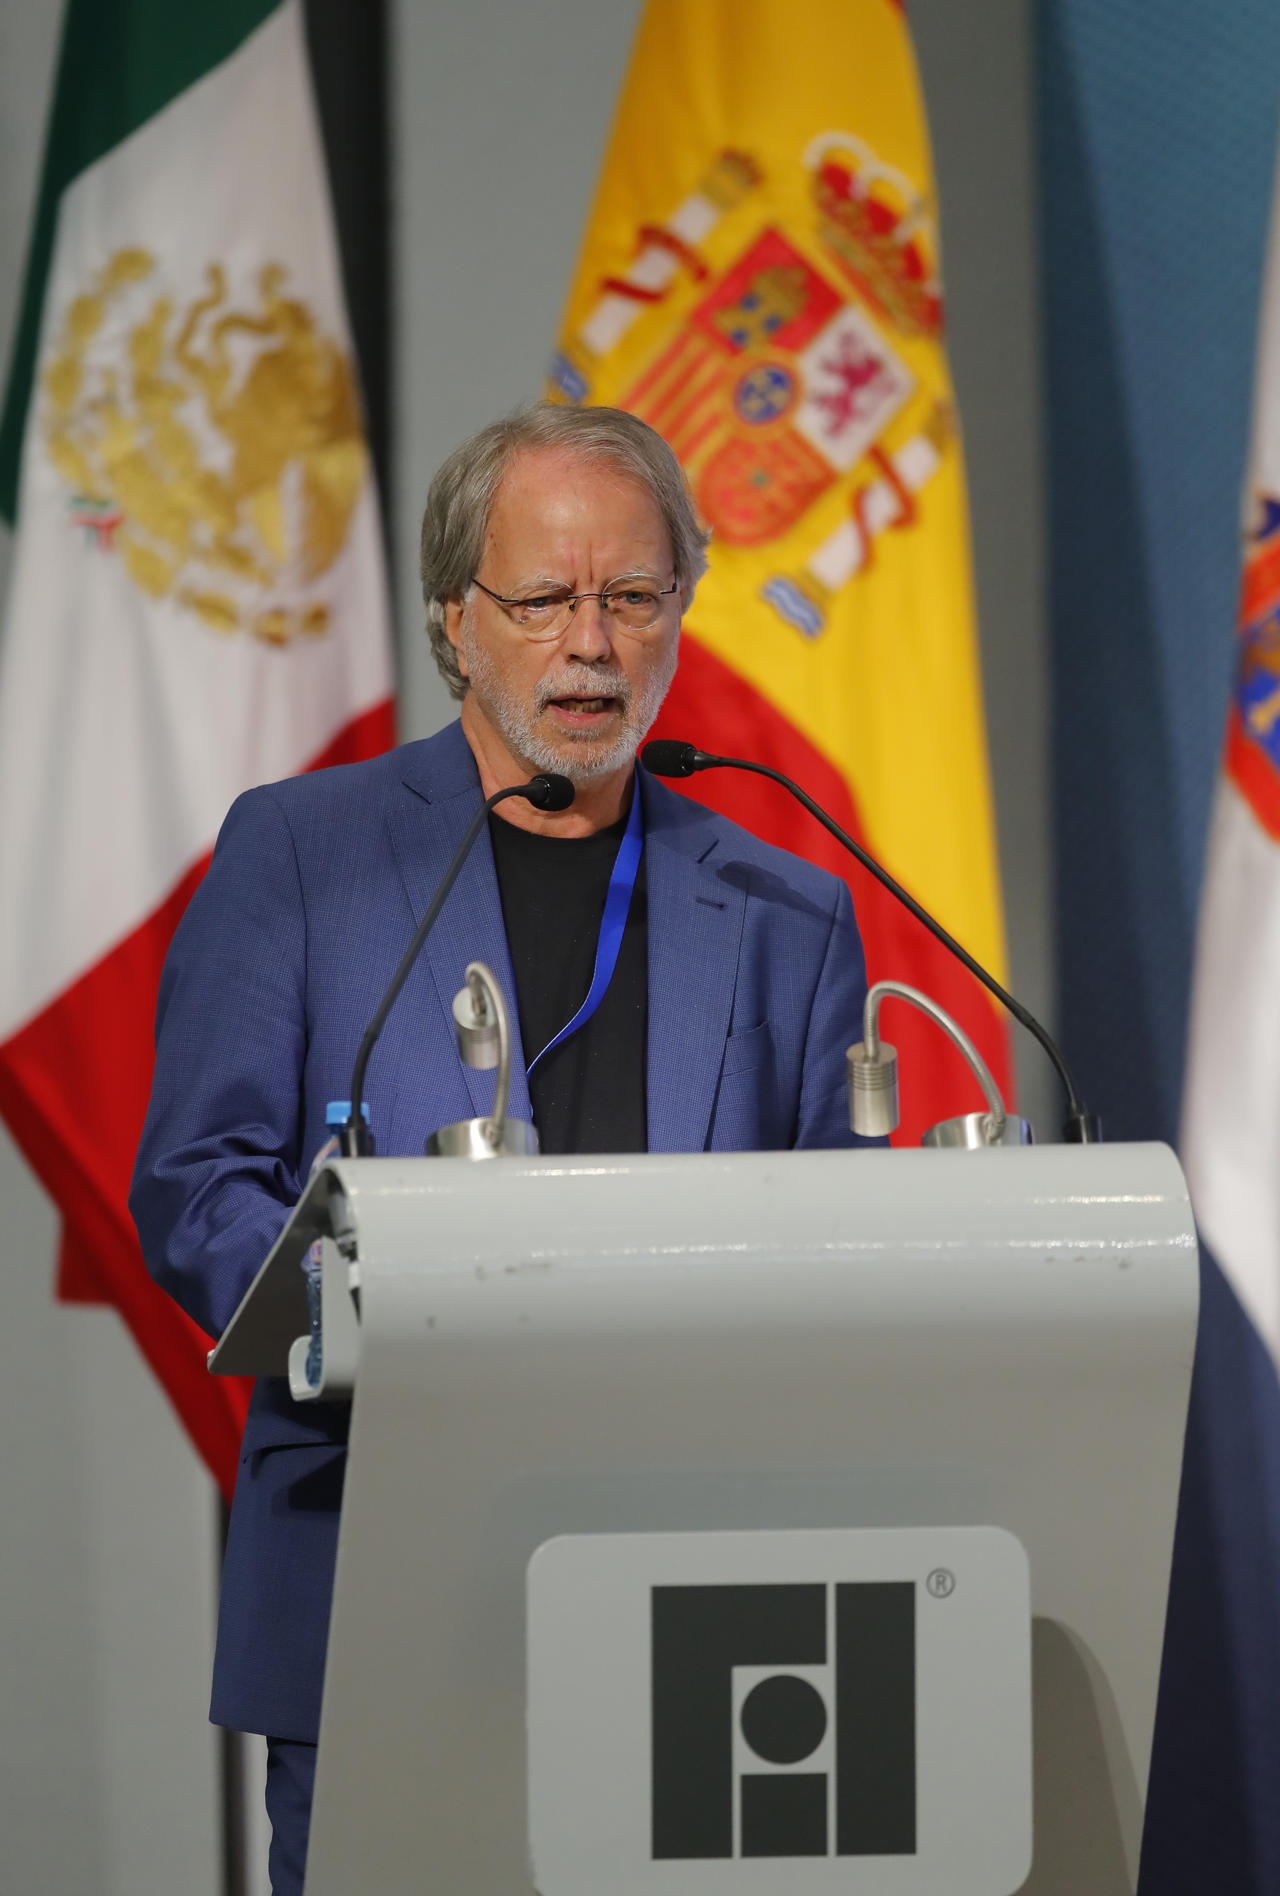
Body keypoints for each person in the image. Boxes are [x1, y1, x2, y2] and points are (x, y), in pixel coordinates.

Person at [130, 401, 873, 1891]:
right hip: (380, 1579)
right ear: (455, 622)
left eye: (632, 597)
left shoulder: (789, 907)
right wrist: (376, 1320)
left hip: (704, 1606)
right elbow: (197, 1184)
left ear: (681, 609)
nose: (589, 644)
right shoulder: (305, 854)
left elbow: (842, 1256)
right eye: (542, 600)